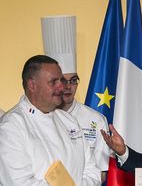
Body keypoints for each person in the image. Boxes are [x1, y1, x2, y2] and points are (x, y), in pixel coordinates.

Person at [0, 55, 100, 185]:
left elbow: (92, 172)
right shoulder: (11, 126)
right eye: (53, 82)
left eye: (61, 80)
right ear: (32, 85)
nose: (61, 87)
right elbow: (19, 182)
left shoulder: (69, 121)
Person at [41, 15, 110, 182]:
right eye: (62, 80)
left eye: (73, 80)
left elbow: (101, 172)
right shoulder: (37, 119)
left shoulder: (96, 120)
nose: (67, 86)